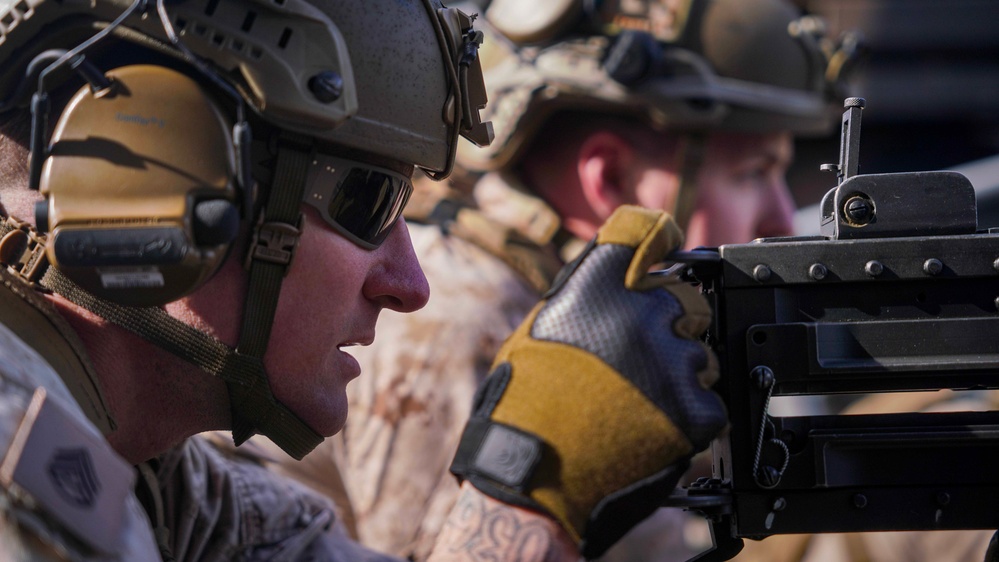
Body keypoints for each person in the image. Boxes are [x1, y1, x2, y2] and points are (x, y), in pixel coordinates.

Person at [0, 0, 726, 561]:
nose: (409, 284)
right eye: (365, 201)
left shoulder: (160, 474)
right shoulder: (16, 464)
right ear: (153, 175)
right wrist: (529, 495)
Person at [250, 0, 861, 560]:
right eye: (755, 173)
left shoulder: (565, 303)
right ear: (611, 179)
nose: (782, 218)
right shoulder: (468, 318)